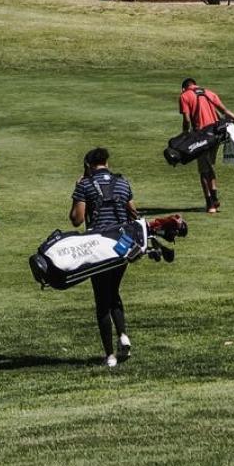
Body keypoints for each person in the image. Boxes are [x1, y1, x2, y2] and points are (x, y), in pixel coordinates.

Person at [70, 147, 139, 368]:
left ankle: (110, 355)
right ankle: (123, 335)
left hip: (98, 246)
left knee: (102, 300)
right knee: (114, 293)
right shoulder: (122, 182)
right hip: (121, 245)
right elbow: (133, 213)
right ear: (106, 162)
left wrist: (78, 190)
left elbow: (76, 220)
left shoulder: (85, 185)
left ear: (88, 165)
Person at [179, 77, 234, 214]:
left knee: (203, 170)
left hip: (200, 137)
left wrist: (185, 136)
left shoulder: (185, 96)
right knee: (209, 166)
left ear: (183, 88)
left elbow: (186, 119)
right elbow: (226, 111)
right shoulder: (209, 93)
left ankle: (211, 203)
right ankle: (214, 199)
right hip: (215, 135)